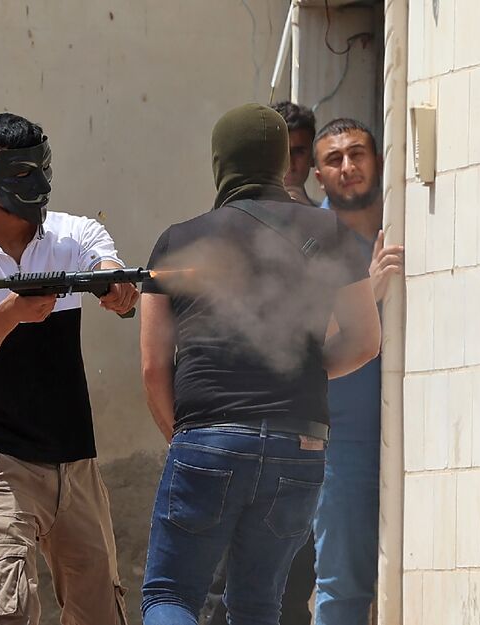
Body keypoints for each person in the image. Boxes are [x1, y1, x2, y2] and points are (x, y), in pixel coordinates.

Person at [138, 103, 381, 625]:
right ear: (278, 162)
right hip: (302, 444)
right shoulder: (331, 232)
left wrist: (186, 439)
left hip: (207, 438)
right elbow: (364, 341)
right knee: (257, 606)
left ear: (220, 162)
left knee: (169, 596)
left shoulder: (177, 242)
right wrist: (307, 373)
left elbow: (154, 368)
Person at [0, 113, 138, 625]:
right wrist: (14, 311)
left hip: (74, 457)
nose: (36, 184)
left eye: (42, 167)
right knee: (7, 606)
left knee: (101, 610)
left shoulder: (75, 233)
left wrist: (116, 288)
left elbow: (112, 277)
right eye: (19, 173)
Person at [203, 100, 322, 625]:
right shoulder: (220, 232)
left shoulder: (321, 233)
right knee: (217, 589)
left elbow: (341, 338)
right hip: (228, 434)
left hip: (296, 439)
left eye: (300, 154)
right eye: (284, 156)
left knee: (288, 586)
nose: (292, 167)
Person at [310, 118, 403, 625]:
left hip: (412, 433)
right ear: (317, 176)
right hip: (341, 442)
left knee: (410, 572)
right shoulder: (310, 240)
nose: (348, 167)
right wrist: (366, 293)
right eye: (333, 159)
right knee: (344, 585)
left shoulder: (408, 221)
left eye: (357, 154)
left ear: (378, 160)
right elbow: (305, 341)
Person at [273, 101, 318, 207]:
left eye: (298, 152)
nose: (289, 165)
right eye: (279, 152)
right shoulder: (240, 217)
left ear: (312, 157)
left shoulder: (329, 220)